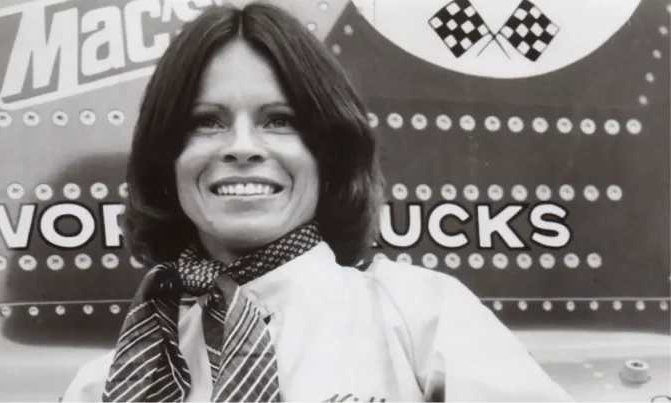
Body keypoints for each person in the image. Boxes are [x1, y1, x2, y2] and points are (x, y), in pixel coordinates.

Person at [62, 2, 572, 402]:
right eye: (206, 122)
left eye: (280, 120)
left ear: (328, 153)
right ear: (166, 159)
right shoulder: (107, 385)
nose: (242, 146)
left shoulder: (424, 318)